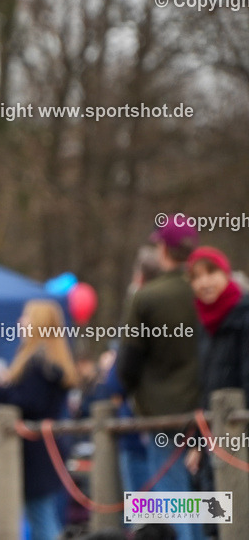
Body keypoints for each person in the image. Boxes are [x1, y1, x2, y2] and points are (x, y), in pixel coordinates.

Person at [116, 215, 201, 540]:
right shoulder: (202, 291)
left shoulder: (148, 296)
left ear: (163, 249)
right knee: (197, 500)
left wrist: (129, 391)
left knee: (171, 498)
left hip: (162, 411)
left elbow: (128, 361)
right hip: (205, 409)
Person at [0, 300, 77, 540]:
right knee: (43, 514)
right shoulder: (53, 360)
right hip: (48, 446)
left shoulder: (38, 361)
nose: (20, 322)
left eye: (26, 317)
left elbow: (28, 402)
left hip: (36, 448)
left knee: (40, 516)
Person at [183, 247, 249, 480]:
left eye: (210, 273)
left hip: (239, 435)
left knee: (238, 511)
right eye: (196, 277)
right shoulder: (204, 327)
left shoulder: (244, 316)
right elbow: (206, 386)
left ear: (225, 273)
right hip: (213, 438)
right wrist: (197, 443)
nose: (204, 282)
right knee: (214, 510)